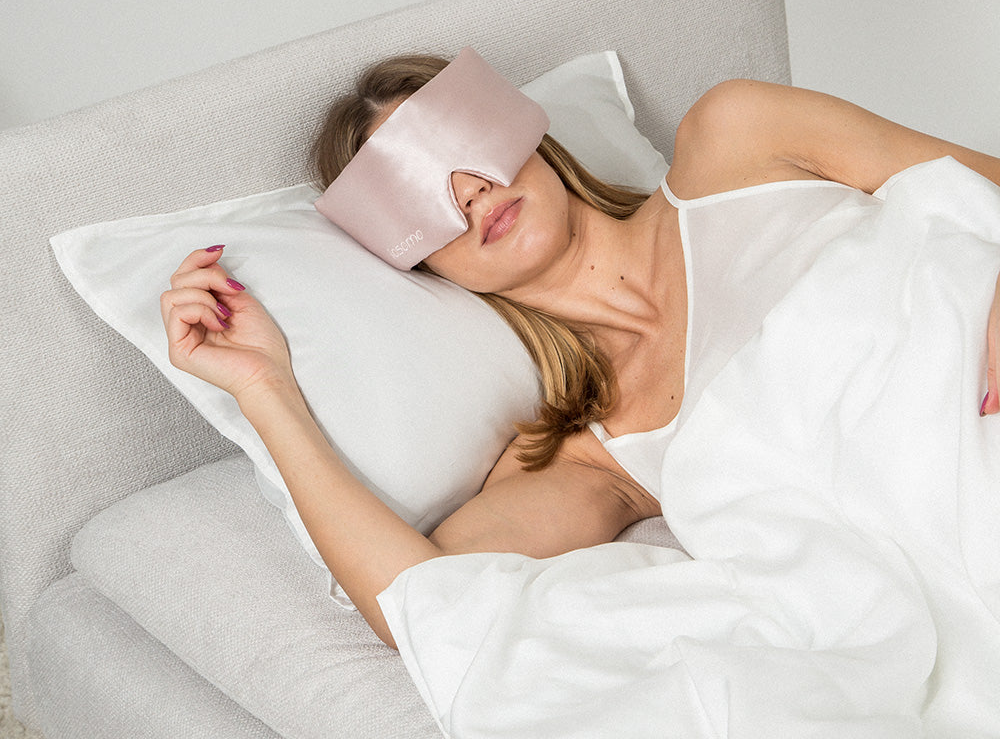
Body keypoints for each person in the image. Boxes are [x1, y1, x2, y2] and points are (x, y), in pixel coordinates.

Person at [160, 51, 1000, 649]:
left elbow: (981, 187)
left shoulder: (741, 139)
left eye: (463, 148)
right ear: (403, 253)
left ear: (522, 129)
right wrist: (265, 391)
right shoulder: (585, 457)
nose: (470, 191)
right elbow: (424, 603)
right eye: (417, 191)